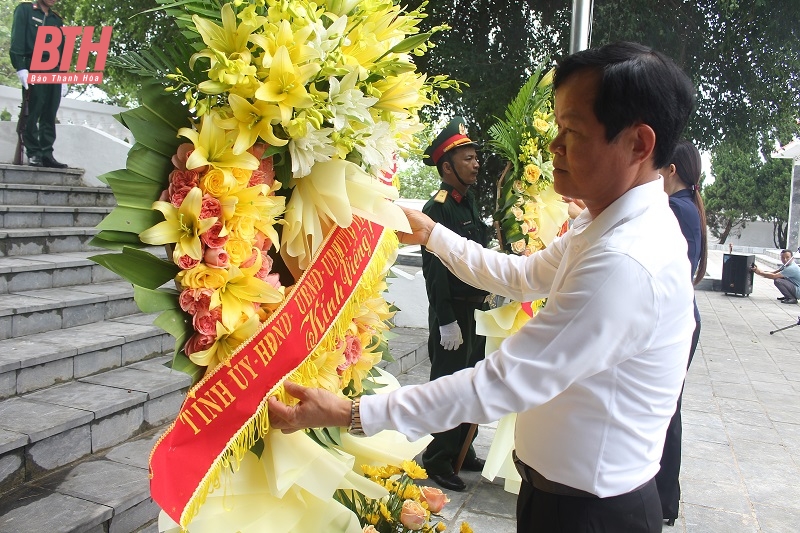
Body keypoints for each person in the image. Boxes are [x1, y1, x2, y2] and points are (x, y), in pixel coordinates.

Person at [269, 41, 696, 532]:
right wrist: (431, 234)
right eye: (557, 128)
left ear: (639, 145)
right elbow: (522, 276)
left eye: (572, 131)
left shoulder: (624, 262)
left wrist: (353, 412)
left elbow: (501, 381)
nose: (555, 146)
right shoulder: (602, 225)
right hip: (562, 497)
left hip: (592, 514)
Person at [418, 117, 491, 492]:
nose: (476, 163)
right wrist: (446, 320)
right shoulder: (438, 208)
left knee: (472, 382)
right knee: (448, 385)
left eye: (476, 156)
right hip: (454, 312)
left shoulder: (470, 202)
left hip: (475, 309)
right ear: (447, 167)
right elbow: (435, 271)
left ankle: (462, 446)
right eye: (467, 158)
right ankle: (437, 458)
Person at [656, 140, 707, 526]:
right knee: (667, 408)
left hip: (675, 319)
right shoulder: (687, 206)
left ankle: (663, 499)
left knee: (666, 410)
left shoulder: (676, 208)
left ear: (671, 169)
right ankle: (664, 498)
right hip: (682, 316)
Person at [10, 0, 69, 169]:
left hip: (54, 70)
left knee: (50, 112)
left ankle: (46, 153)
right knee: (33, 110)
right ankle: (33, 152)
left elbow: (62, 49)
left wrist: (63, 75)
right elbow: (17, 40)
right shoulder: (25, 10)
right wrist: (20, 67)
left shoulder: (56, 20)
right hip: (33, 66)